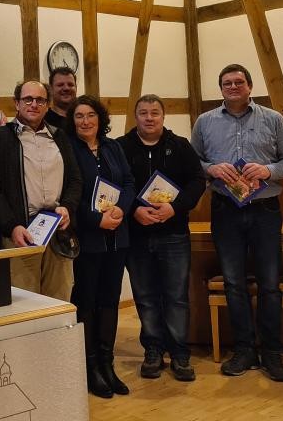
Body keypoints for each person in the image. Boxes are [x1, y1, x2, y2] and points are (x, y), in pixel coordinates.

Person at [191, 64, 283, 382]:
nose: (234, 86)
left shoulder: (273, 119)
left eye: (240, 82)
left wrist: (268, 171)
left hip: (265, 210)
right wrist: (211, 168)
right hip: (225, 210)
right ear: (220, 88)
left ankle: (272, 353)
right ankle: (244, 350)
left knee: (269, 283)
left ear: (250, 86)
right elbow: (193, 162)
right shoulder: (205, 122)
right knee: (234, 283)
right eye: (227, 83)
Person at [118, 94, 205, 382]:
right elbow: (114, 186)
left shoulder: (180, 146)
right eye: (143, 113)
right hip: (138, 236)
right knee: (145, 297)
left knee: (176, 297)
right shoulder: (121, 147)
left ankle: (180, 353)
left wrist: (175, 208)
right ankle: (153, 350)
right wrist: (133, 212)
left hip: (174, 233)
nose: (149, 117)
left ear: (163, 116)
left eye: (155, 112)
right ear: (136, 116)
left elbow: (197, 181)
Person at [0, 80, 81, 301]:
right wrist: (11, 226)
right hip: (21, 235)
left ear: (47, 105)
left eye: (40, 100)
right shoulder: (1, 138)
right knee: (25, 305)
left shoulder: (59, 137)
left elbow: (75, 180)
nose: (34, 104)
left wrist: (68, 207)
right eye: (28, 99)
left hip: (57, 233)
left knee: (59, 302)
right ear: (17, 103)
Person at [66, 95, 136, 398]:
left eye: (90, 115)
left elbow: (129, 183)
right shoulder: (67, 149)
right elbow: (68, 194)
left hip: (118, 237)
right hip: (89, 238)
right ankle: (90, 367)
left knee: (110, 300)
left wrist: (121, 209)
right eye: (79, 116)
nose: (85, 121)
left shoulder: (113, 147)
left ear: (100, 118)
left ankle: (108, 365)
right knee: (88, 301)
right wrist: (96, 220)